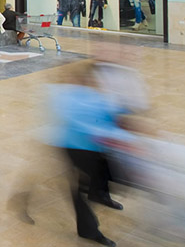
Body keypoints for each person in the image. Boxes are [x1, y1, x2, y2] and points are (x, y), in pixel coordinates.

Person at [47, 63, 128, 247]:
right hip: (75, 148)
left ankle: (100, 194)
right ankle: (88, 230)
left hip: (92, 147)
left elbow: (112, 117)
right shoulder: (68, 98)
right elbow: (81, 123)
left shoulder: (94, 97)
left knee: (103, 173)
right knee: (78, 188)